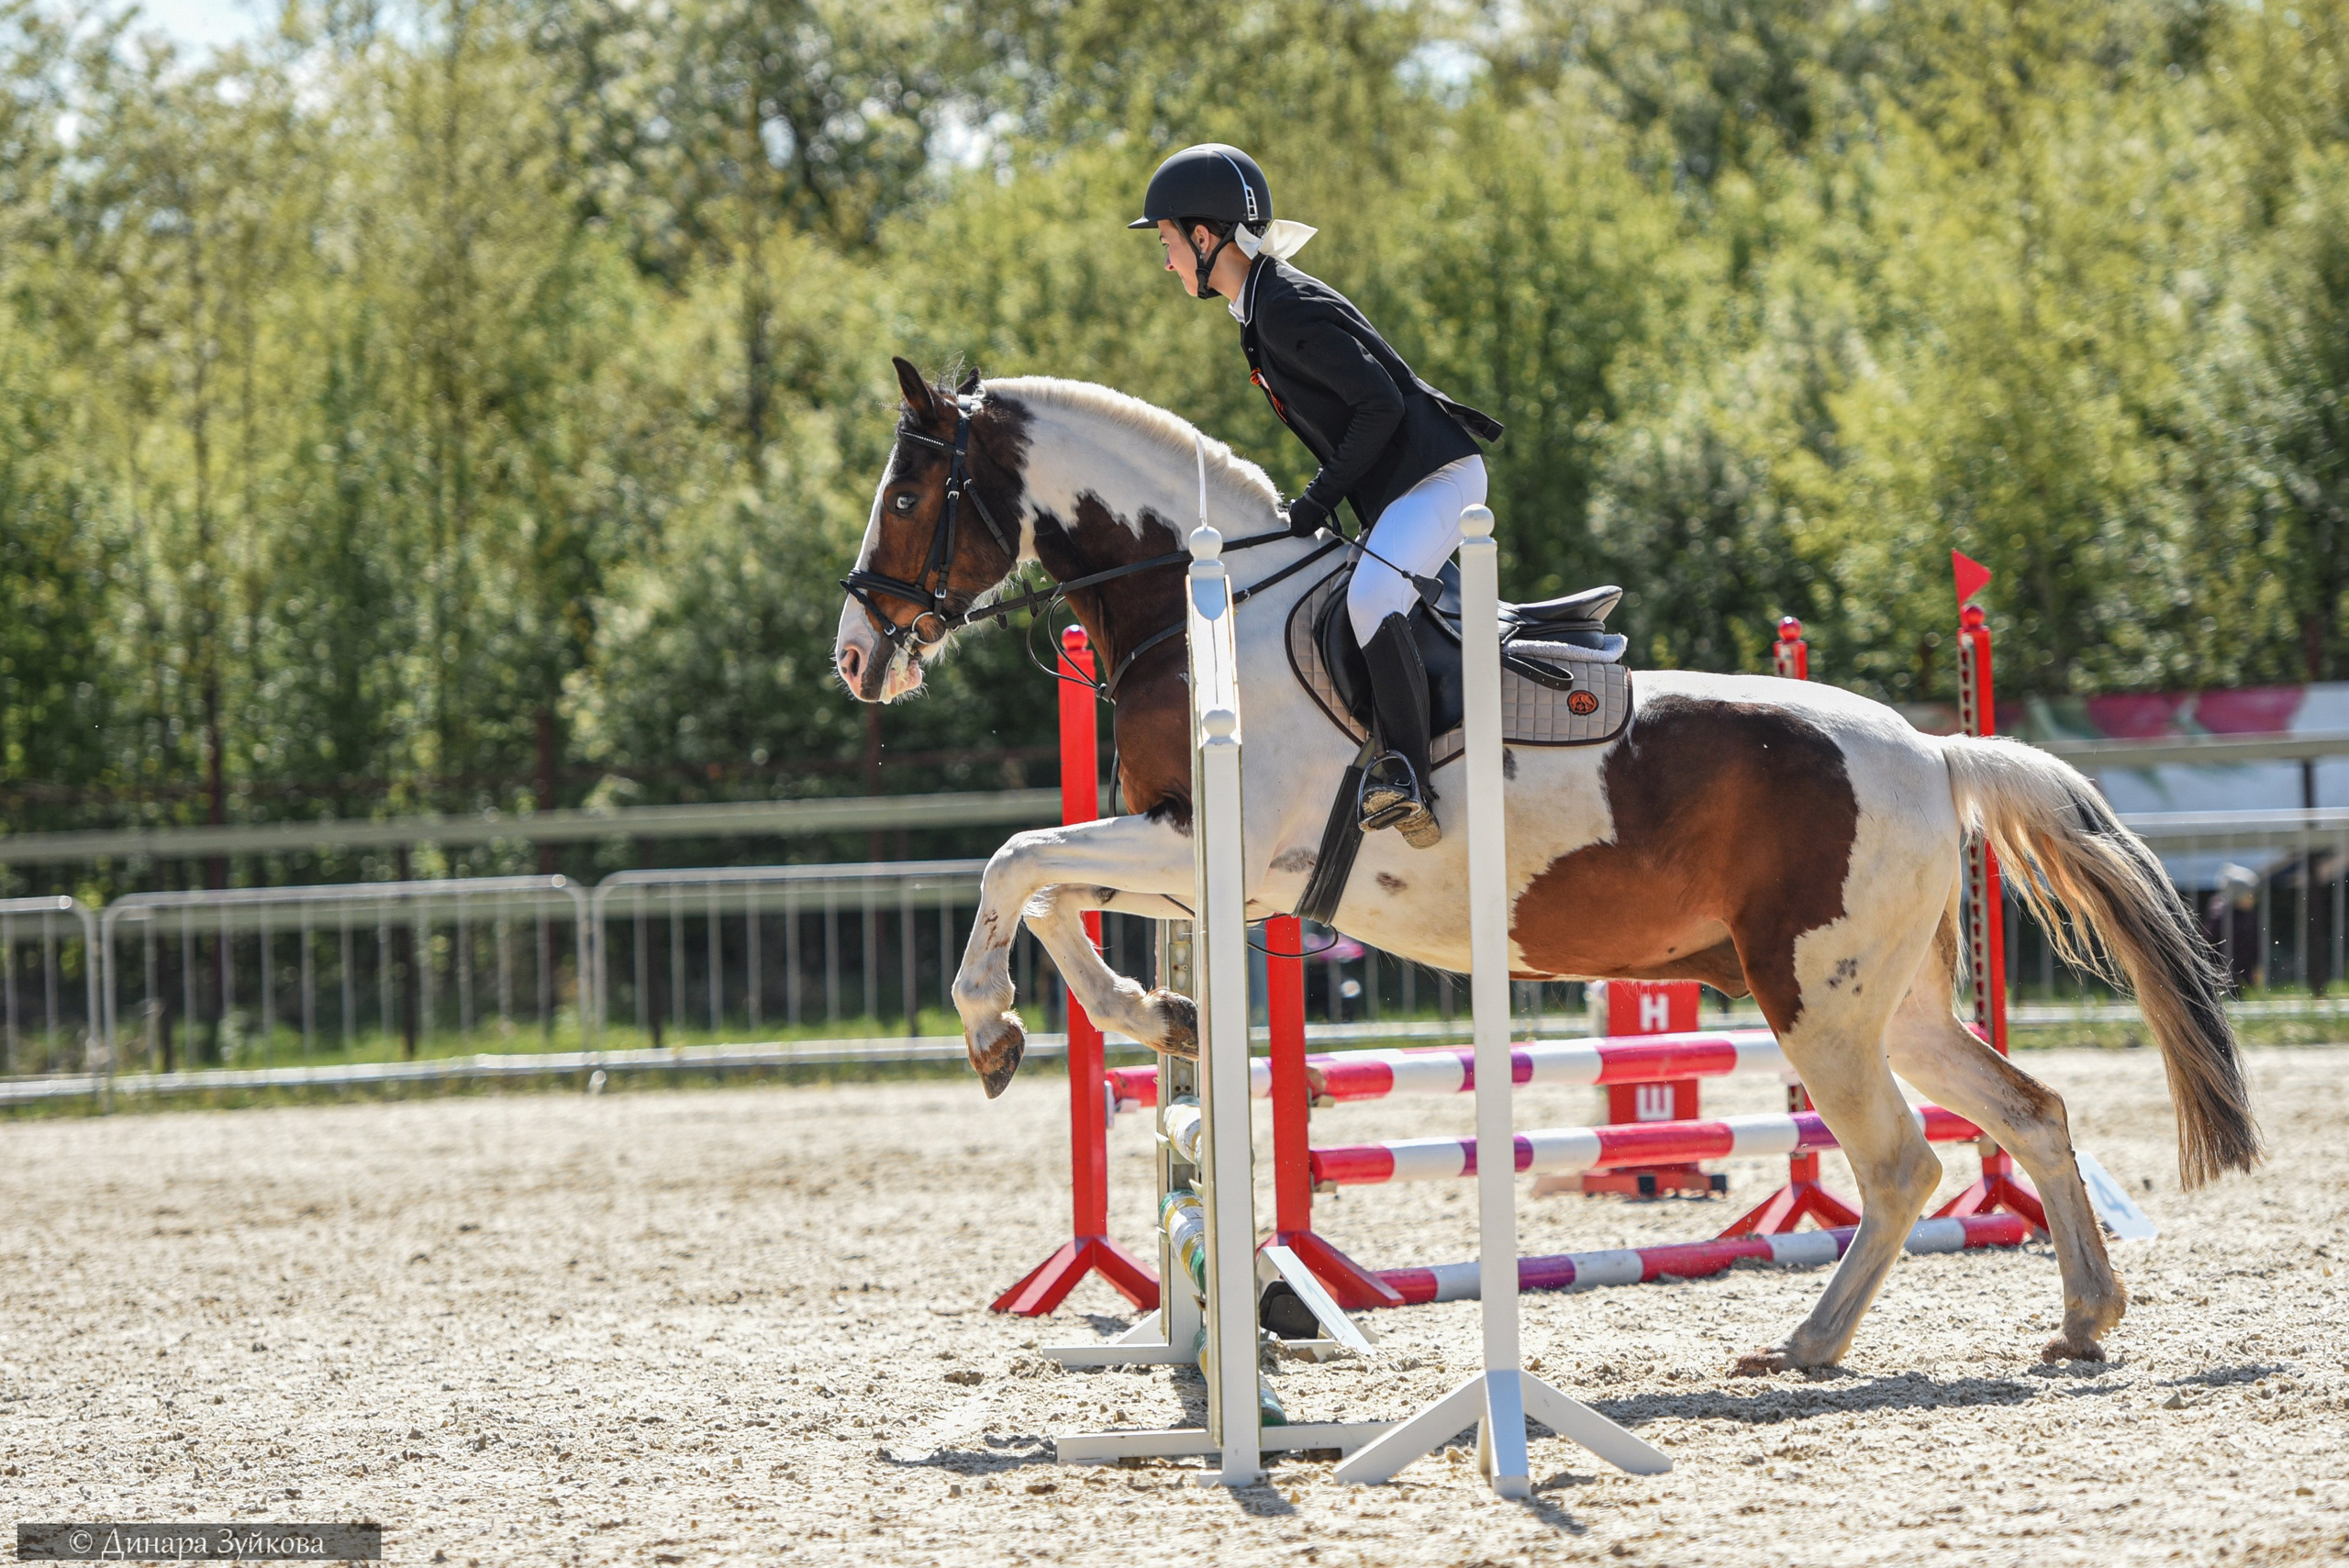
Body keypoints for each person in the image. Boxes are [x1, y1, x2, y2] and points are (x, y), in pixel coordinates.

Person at [1130, 143, 1502, 850]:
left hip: (1440, 479)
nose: (1167, 261)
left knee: (1371, 597)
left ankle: (1409, 780)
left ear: (1205, 238)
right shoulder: (1264, 305)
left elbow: (1381, 405)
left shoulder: (1283, 309)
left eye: (1168, 242)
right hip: (1405, 487)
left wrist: (1314, 499)